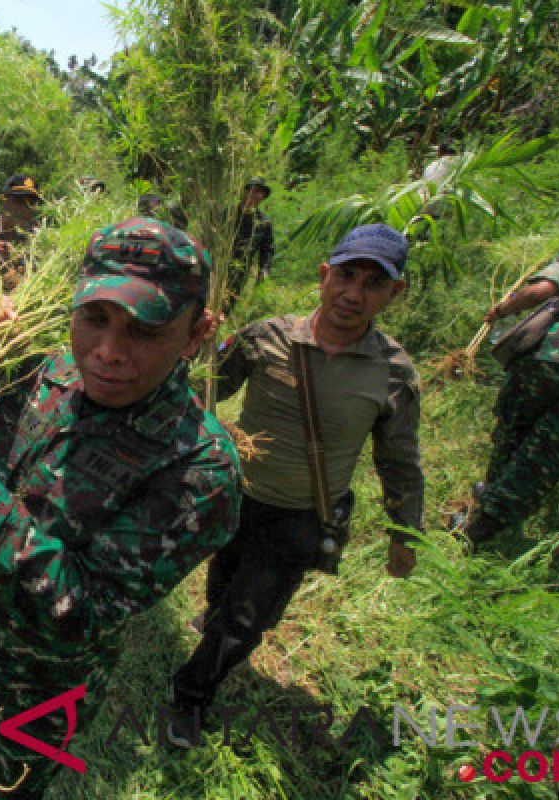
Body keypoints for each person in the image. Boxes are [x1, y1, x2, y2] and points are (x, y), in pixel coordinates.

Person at [0, 217, 242, 799]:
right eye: (95, 319)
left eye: (145, 331)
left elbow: (84, 608)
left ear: (195, 334)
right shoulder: (47, 375)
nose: (108, 352)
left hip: (48, 688)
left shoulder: (201, 467)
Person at [168, 222, 424, 747]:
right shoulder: (266, 337)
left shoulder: (393, 373)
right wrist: (195, 346)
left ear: (393, 294)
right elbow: (204, 387)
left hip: (302, 515)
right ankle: (214, 618)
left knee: (246, 620)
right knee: (225, 579)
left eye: (373, 284)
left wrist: (405, 531)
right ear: (325, 274)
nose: (353, 293)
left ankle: (190, 697)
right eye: (346, 276)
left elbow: (399, 459)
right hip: (235, 495)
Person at [460, 232, 559, 545]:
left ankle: (485, 509)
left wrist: (504, 309)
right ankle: (486, 525)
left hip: (553, 351)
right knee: (547, 455)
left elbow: (543, 290)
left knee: (514, 429)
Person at [0, 173, 44, 290]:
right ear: (3, 202)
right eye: (19, 201)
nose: (25, 209)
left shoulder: (37, 241)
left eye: (31, 204)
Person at [224, 177, 275, 313]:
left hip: (240, 270)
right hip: (219, 265)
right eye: (252, 190)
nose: (255, 195)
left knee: (228, 304)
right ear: (243, 192)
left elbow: (267, 249)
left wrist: (264, 269)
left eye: (259, 192)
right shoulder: (228, 214)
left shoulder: (264, 222)